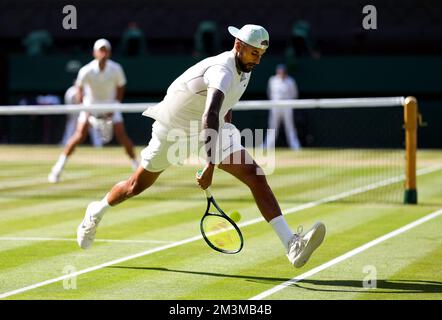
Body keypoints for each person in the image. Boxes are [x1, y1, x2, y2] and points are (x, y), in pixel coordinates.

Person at [76, 25, 326, 268]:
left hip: (208, 128)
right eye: (253, 53)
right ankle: (95, 212)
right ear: (238, 45)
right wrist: (210, 164)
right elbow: (210, 115)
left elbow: (223, 110)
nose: (257, 60)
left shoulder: (245, 69)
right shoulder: (222, 70)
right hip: (173, 130)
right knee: (135, 186)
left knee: (255, 175)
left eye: (260, 55)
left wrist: (223, 139)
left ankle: (291, 244)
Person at [48, 39, 138, 183]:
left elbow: (121, 87)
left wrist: (115, 106)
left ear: (109, 53)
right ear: (95, 53)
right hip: (90, 106)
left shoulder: (116, 69)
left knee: (122, 136)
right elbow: (79, 87)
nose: (103, 53)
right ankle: (57, 170)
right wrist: (85, 106)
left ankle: (136, 166)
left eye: (105, 50)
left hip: (110, 106)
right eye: (100, 50)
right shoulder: (86, 70)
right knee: (78, 136)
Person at [264, 64, 302, 150]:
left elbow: (294, 94)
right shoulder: (272, 80)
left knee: (290, 126)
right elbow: (269, 93)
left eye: (283, 71)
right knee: (272, 126)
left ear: (285, 72)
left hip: (287, 106)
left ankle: (295, 146)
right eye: (280, 71)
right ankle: (268, 146)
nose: (281, 73)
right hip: (275, 106)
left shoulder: (290, 81)